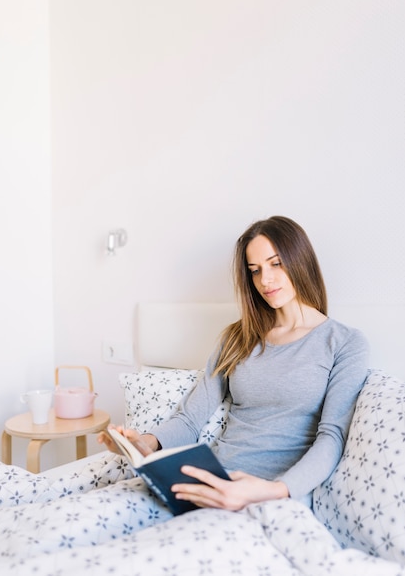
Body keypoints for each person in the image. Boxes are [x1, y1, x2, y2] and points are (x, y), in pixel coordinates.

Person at [100, 215, 369, 510]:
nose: (265, 280)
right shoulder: (238, 337)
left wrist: (273, 490)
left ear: (300, 259)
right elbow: (190, 419)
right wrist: (145, 444)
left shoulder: (344, 343)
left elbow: (332, 437)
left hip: (273, 496)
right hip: (215, 480)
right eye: (255, 271)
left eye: (275, 263)